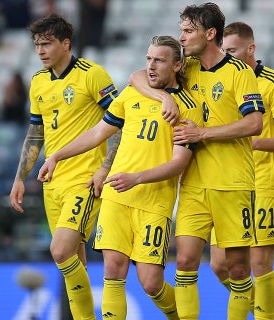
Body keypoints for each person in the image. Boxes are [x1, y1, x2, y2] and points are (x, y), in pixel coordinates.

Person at [37, 34, 200, 320]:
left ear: (177, 65)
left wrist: (136, 178)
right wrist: (57, 155)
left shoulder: (187, 106)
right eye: (148, 58)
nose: (151, 65)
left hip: (154, 202)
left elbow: (178, 164)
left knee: (151, 283)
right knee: (113, 270)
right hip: (116, 195)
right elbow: (99, 132)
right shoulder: (131, 93)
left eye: (159, 60)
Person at [128, 3, 264, 319]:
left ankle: (261, 312)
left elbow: (254, 123)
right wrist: (164, 97)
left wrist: (203, 133)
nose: (182, 37)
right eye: (182, 31)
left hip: (233, 182)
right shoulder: (185, 66)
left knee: (238, 267)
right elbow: (137, 76)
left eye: (189, 31)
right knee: (186, 262)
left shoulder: (238, 72)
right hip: (193, 183)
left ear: (210, 33)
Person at [8, 13, 119, 320]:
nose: (40, 51)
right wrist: (20, 177)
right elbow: (35, 132)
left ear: (66, 43)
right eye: (36, 45)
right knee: (74, 262)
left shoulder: (92, 74)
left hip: (84, 179)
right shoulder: (38, 82)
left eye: (47, 43)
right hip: (52, 182)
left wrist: (105, 168)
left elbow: (119, 124)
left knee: (59, 251)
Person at [208, 21, 274, 320]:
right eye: (223, 51)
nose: (226, 56)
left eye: (231, 50)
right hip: (230, 182)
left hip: (265, 182)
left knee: (258, 264)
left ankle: (264, 317)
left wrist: (249, 142)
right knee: (219, 265)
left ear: (251, 48)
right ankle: (264, 310)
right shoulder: (224, 80)